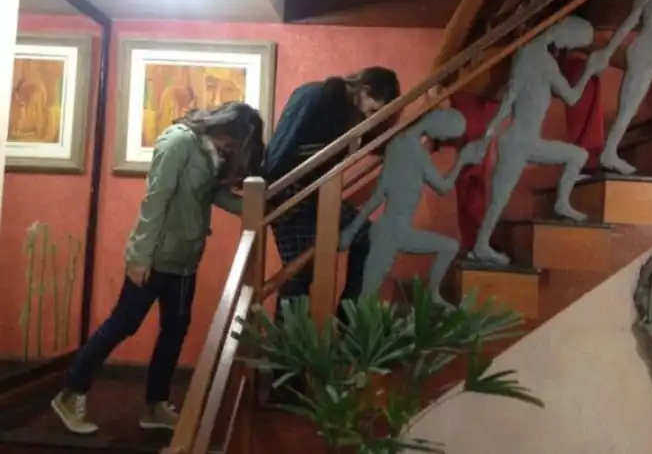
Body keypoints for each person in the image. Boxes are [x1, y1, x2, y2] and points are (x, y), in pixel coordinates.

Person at [51, 101, 264, 435]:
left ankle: (155, 405)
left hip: (185, 260)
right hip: (155, 257)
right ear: (227, 128)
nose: (233, 150)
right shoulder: (179, 142)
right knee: (123, 325)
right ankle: (70, 393)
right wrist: (140, 257)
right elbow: (156, 200)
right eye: (237, 143)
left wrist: (255, 205)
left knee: (174, 330)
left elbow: (211, 196)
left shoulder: (211, 153)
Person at [430, 0, 605, 250]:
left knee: (585, 73)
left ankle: (588, 164)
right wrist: (436, 88)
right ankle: (475, 242)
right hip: (480, 82)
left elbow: (593, 44)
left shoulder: (562, 10)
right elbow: (458, 30)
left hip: (529, 75)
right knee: (473, 158)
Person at [265, 67, 401, 319]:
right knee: (298, 275)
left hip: (316, 194)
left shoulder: (348, 113)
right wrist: (270, 196)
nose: (370, 117)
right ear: (364, 90)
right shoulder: (314, 96)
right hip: (290, 194)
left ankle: (346, 319)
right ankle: (286, 342)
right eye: (373, 110)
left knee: (367, 237)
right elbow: (281, 148)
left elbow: (375, 144)